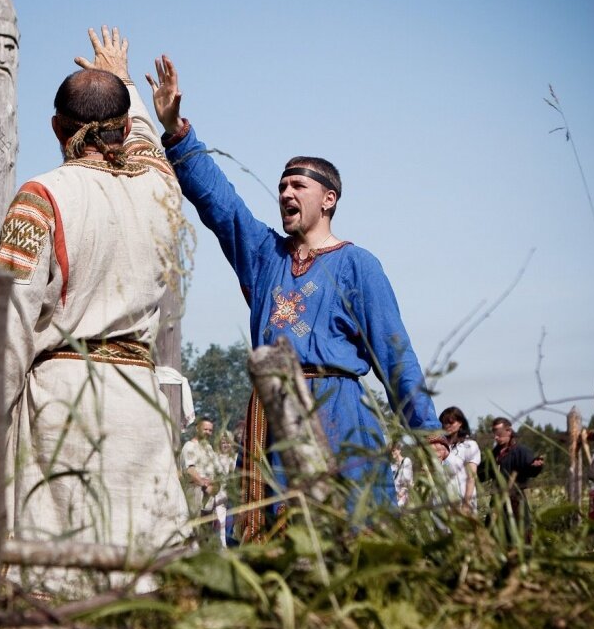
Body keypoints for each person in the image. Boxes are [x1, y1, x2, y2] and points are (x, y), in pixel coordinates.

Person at [145, 56, 440, 540]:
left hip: (339, 411)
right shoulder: (265, 256)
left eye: (298, 184)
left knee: (350, 538)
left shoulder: (357, 265)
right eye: (282, 184)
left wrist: (425, 431)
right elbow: (222, 205)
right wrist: (177, 130)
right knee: (269, 548)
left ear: (328, 199)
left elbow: (394, 352)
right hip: (270, 422)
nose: (285, 191)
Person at [0, 27, 190, 592]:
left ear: (57, 128)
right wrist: (125, 79)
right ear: (125, 127)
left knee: (59, 587)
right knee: (141, 587)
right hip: (140, 404)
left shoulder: (42, 195)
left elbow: (7, 326)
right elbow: (149, 149)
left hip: (64, 408)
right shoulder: (162, 192)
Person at [479, 417, 544, 541]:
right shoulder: (494, 454)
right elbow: (482, 473)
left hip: (516, 503)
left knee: (519, 538)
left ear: (509, 431)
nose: (496, 437)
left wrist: (535, 466)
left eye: (499, 433)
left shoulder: (521, 451)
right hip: (497, 502)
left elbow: (530, 470)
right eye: (494, 433)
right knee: (493, 538)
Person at [181, 418, 219, 537]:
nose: (208, 432)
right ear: (197, 428)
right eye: (205, 429)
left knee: (206, 534)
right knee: (194, 532)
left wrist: (214, 486)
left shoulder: (209, 448)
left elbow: (216, 471)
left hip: (209, 498)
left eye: (210, 430)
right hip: (195, 493)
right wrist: (203, 485)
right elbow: (189, 470)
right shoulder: (189, 446)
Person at [440, 406, 481, 513]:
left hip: (461, 500)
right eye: (444, 422)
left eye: (450, 422)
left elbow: (471, 478)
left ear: (460, 423)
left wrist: (466, 505)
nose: (447, 425)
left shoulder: (469, 445)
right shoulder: (440, 447)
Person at [390, 442, 413, 509]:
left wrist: (400, 494)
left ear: (399, 450)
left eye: (394, 450)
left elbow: (407, 481)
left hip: (403, 496)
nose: (392, 452)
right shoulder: (393, 466)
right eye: (391, 451)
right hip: (395, 495)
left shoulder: (406, 461)